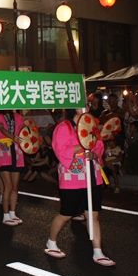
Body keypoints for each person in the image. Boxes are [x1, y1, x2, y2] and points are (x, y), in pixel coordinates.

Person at [44, 108, 115, 267]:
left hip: (92, 175)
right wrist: (84, 146)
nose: (86, 107)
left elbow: (99, 147)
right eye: (82, 104)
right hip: (73, 177)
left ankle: (98, 252)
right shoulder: (63, 127)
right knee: (66, 213)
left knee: (93, 215)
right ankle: (51, 241)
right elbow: (60, 151)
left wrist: (95, 154)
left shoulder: (92, 125)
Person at [0, 110, 25, 226]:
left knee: (15, 186)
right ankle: (5, 215)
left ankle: (13, 213)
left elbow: (24, 129)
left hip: (16, 150)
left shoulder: (18, 117)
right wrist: (13, 137)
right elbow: (1, 129)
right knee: (8, 186)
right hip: (3, 149)